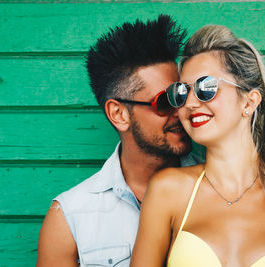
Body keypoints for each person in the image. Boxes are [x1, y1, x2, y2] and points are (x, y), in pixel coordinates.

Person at [130, 25, 265, 267]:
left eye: (206, 88)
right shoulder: (169, 190)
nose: (190, 103)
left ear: (249, 101)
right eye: (182, 92)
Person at [37, 15, 201, 267]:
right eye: (165, 101)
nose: (181, 110)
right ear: (119, 114)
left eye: (180, 95)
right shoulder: (71, 216)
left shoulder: (219, 186)